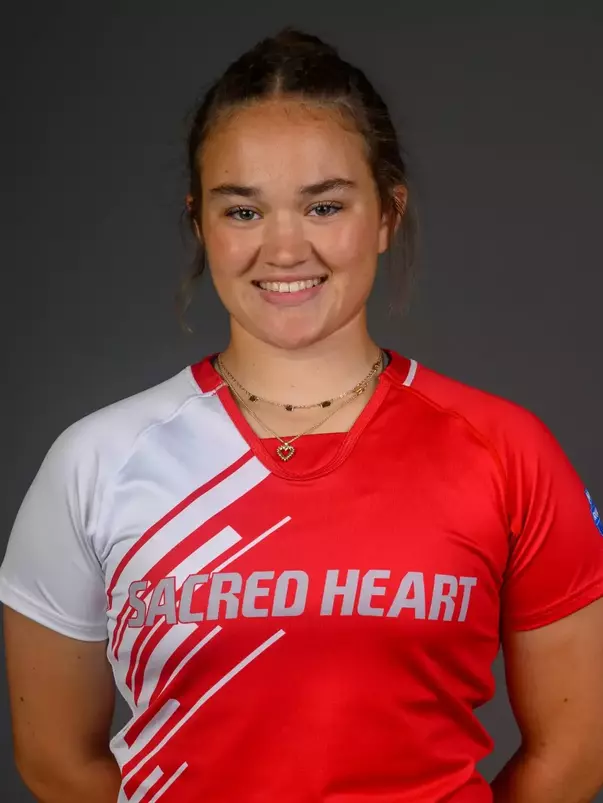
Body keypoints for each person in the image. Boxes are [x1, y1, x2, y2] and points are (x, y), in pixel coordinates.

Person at [1, 27, 603, 803]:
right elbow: (54, 758)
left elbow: (573, 752)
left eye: (324, 205)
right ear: (199, 225)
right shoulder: (96, 460)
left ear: (386, 215)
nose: (284, 248)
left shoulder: (507, 451)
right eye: (242, 212)